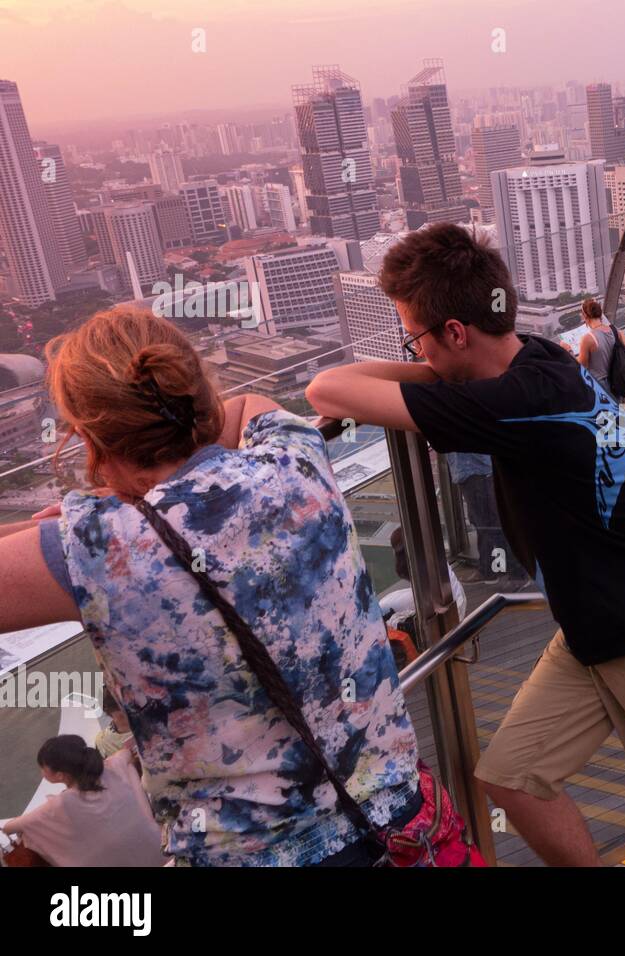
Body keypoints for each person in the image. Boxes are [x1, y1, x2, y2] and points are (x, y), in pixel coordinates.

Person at [306, 223, 625, 867]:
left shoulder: (514, 399)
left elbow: (327, 389)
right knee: (512, 778)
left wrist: (431, 369)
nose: (418, 352)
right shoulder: (535, 358)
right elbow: (380, 380)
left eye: (419, 338)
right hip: (595, 625)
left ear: (457, 333)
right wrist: (434, 363)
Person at [0, 306, 422, 867]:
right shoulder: (293, 458)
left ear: (87, 436)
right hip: (394, 819)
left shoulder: (101, 547)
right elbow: (245, 407)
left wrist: (105, 508)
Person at [2, 736, 167, 867]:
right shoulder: (114, 765)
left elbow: (10, 827)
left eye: (43, 767)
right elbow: (125, 753)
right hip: (161, 851)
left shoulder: (59, 805)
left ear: (59, 775)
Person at [446, 451, 522, 584]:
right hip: (473, 471)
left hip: (476, 470)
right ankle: (494, 569)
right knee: (485, 523)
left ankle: (514, 572)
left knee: (489, 525)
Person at [576, 298, 625, 397]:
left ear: (585, 316)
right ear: (600, 314)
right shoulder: (615, 331)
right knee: (619, 411)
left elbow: (582, 366)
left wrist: (569, 352)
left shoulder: (587, 339)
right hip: (618, 381)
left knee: (605, 412)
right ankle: (622, 413)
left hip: (599, 387)